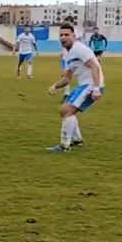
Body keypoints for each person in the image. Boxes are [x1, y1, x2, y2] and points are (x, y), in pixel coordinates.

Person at [46, 23, 105, 153]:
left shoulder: (79, 49)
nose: (63, 37)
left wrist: (96, 89)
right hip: (83, 85)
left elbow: (95, 66)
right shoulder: (68, 54)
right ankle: (76, 140)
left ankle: (64, 146)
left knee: (66, 110)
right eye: (61, 35)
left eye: (66, 35)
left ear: (74, 35)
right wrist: (56, 85)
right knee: (65, 111)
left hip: (91, 85)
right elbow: (67, 78)